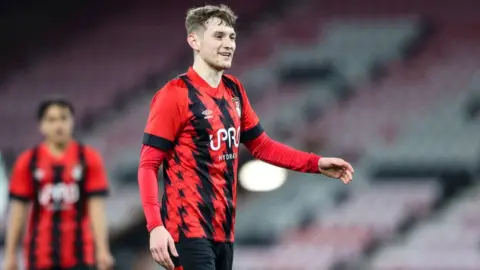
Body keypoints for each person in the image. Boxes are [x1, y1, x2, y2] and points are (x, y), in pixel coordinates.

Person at [138, 4, 354, 270]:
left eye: (232, 37)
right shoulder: (175, 95)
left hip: (224, 231)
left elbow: (262, 146)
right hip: (187, 230)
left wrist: (315, 163)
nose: (228, 43)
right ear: (194, 40)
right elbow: (148, 165)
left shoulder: (234, 91)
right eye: (218, 36)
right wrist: (155, 226)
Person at [3, 99, 115, 270]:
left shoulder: (88, 159)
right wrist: (10, 255)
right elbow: (18, 210)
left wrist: (103, 250)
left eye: (63, 118)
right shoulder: (27, 162)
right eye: (52, 120)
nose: (58, 125)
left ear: (72, 121)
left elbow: (97, 209)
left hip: (80, 255)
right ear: (42, 125)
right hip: (39, 256)